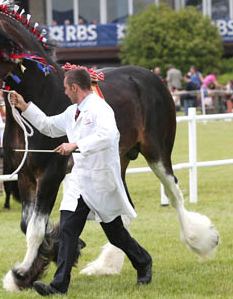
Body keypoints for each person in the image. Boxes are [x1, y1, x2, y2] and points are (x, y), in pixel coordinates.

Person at [9, 68, 152, 296]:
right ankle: (59, 286)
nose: (65, 92)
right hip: (79, 183)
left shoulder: (100, 109)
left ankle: (143, 261)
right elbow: (47, 124)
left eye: (66, 88)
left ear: (75, 87)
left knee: (115, 234)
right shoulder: (71, 112)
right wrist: (24, 106)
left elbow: (109, 135)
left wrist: (75, 145)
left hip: (100, 181)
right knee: (67, 230)